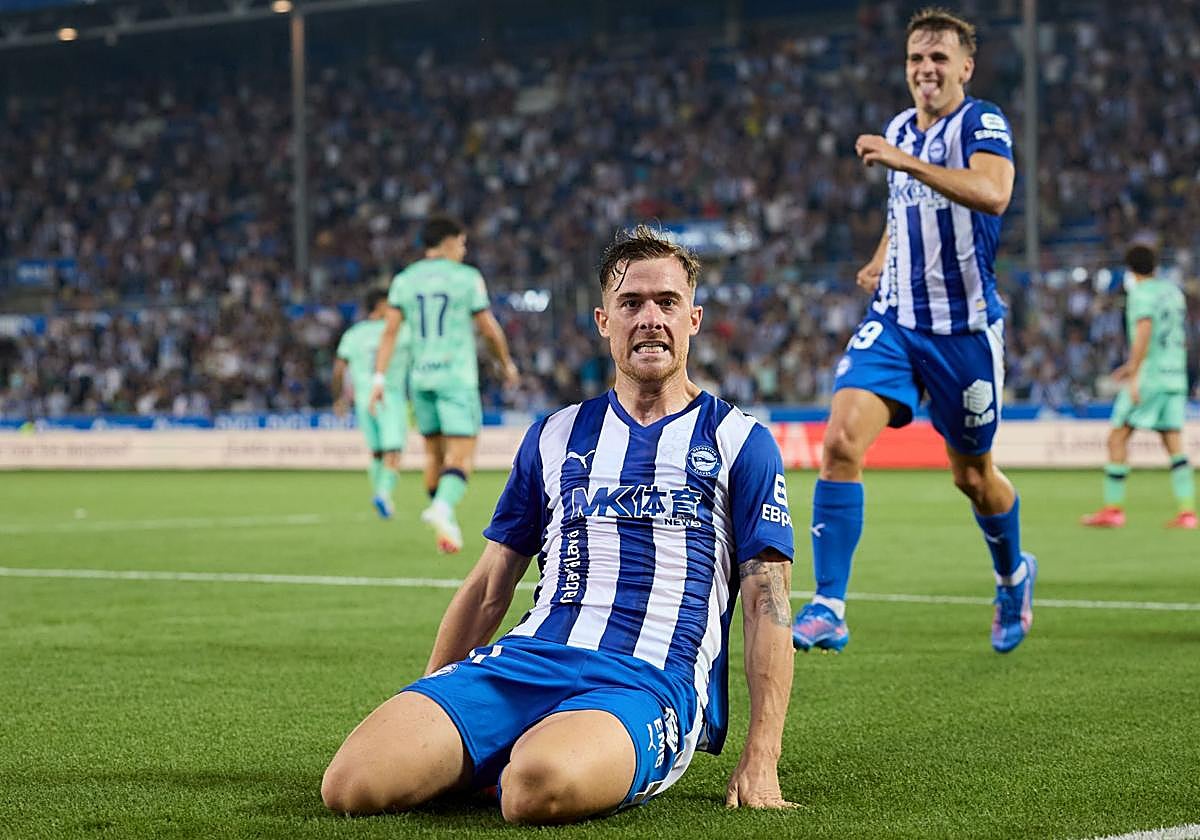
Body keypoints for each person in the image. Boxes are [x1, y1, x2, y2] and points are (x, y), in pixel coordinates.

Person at [322, 225, 797, 824]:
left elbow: (767, 602)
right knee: (351, 785)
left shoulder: (740, 442)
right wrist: (436, 694)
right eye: (631, 304)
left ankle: (520, 759)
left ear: (694, 319)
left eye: (667, 303)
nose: (650, 318)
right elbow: (491, 583)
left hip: (647, 684)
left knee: (536, 788)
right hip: (526, 659)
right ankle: (500, 746)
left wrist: (762, 755)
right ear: (604, 321)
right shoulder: (555, 434)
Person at [790, 7, 1036, 655]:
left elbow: (992, 193)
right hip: (895, 322)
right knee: (840, 441)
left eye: (938, 59)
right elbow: (907, 210)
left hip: (963, 335)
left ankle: (1012, 575)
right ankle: (829, 604)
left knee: (973, 477)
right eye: (915, 60)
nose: (925, 70)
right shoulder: (903, 127)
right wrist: (881, 255)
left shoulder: (980, 123)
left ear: (964, 67)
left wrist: (904, 160)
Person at [369, 216, 519, 553]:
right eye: (462, 244)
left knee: (433, 455)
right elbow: (489, 329)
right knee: (462, 456)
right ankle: (441, 508)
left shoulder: (405, 280)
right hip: (455, 378)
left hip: (420, 379)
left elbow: (390, 332)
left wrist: (379, 377)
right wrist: (505, 363)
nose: (463, 251)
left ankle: (443, 523)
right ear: (450, 241)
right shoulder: (466, 278)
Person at [1081, 245, 1196, 529]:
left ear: (1130, 269)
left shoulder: (1140, 295)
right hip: (1175, 373)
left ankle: (1113, 509)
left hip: (1151, 375)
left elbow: (1144, 330)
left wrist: (1134, 372)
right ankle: (1187, 512)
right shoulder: (1174, 293)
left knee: (1117, 437)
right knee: (1173, 443)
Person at [332, 287, 410, 519]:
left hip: (363, 400)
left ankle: (380, 496)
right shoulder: (400, 331)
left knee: (377, 452)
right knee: (394, 450)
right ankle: (383, 494)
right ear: (381, 305)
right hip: (389, 396)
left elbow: (338, 370)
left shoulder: (353, 334)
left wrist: (338, 398)